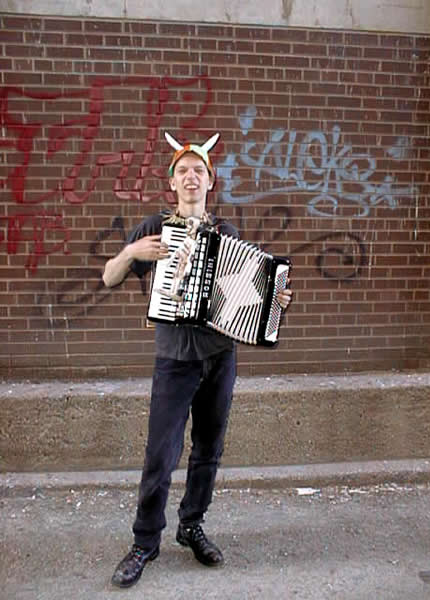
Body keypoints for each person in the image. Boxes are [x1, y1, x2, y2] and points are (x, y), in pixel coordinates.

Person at [103, 132, 292, 589]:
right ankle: (145, 541)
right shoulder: (152, 228)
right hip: (174, 358)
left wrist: (274, 299)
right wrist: (130, 253)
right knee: (161, 454)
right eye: (183, 170)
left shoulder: (226, 234)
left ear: (210, 181)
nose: (191, 177)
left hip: (219, 357)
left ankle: (192, 526)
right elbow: (108, 279)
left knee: (208, 449)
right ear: (172, 183)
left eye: (199, 171)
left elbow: (244, 293)